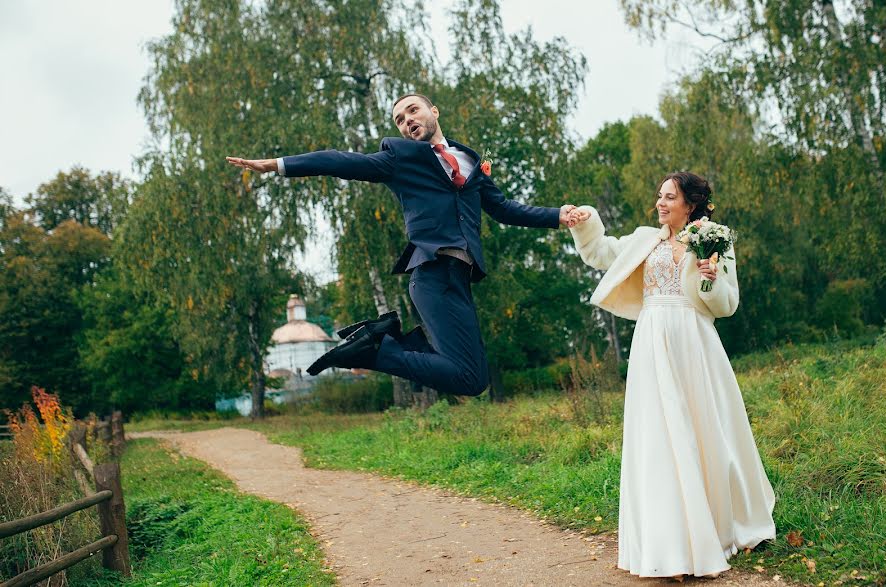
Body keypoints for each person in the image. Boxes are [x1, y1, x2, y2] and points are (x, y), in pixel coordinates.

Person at [227, 93, 578, 396]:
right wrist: (279, 165)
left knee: (475, 378)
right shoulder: (401, 159)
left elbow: (503, 209)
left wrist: (556, 216)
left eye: (412, 111)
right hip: (430, 276)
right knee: (468, 377)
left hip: (460, 279)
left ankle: (383, 339)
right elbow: (341, 161)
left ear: (434, 112)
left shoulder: (470, 161)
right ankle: (375, 350)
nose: (407, 120)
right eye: (399, 119)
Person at [566, 172, 776, 580]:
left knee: (707, 429)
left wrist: (711, 281)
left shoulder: (715, 242)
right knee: (661, 433)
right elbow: (600, 252)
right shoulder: (646, 239)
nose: (660, 203)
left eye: (670, 197)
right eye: (659, 196)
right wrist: (586, 220)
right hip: (653, 341)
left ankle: (722, 524)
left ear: (690, 204)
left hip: (696, 340)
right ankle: (671, 544)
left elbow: (726, 303)